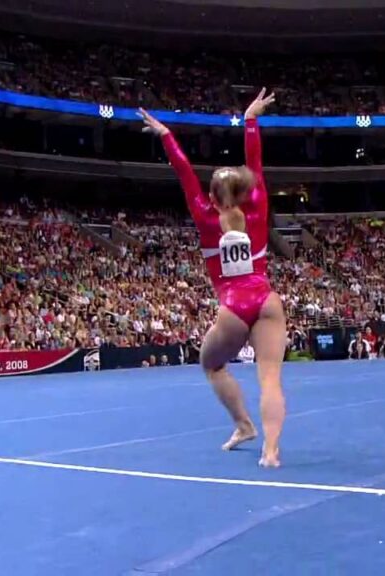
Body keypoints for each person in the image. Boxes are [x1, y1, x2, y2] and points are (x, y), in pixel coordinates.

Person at [138, 88, 287, 468]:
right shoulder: (257, 206)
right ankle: (270, 451)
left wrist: (166, 136)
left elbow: (184, 172)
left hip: (233, 307)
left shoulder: (205, 216)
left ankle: (244, 425)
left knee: (212, 364)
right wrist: (250, 121)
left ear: (212, 195)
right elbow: (255, 163)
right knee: (270, 379)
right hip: (266, 299)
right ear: (245, 190)